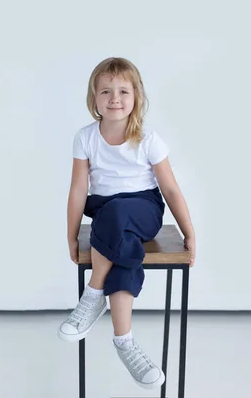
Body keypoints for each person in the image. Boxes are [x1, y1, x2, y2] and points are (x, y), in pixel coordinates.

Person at [57, 57, 196, 389]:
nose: (114, 98)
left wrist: (189, 233)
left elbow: (171, 190)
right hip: (106, 213)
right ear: (94, 100)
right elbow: (78, 190)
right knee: (121, 238)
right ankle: (125, 341)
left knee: (117, 213)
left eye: (122, 91)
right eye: (105, 91)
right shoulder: (85, 137)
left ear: (136, 98)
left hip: (143, 208)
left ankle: (93, 295)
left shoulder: (148, 139)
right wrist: (72, 235)